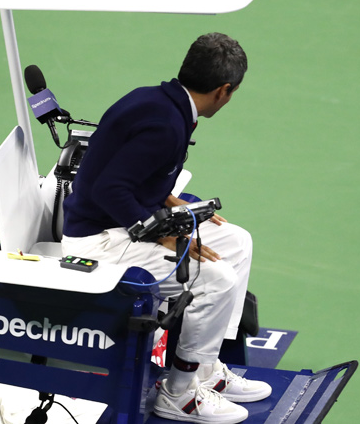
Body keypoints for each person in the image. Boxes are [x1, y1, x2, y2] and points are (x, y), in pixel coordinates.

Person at [61, 32, 271, 424]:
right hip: (98, 242)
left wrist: (167, 198)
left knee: (237, 243)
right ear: (224, 91)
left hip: (121, 224)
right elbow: (110, 189)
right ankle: (180, 394)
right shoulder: (167, 125)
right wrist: (167, 235)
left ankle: (206, 371)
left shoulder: (156, 100)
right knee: (215, 279)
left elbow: (127, 171)